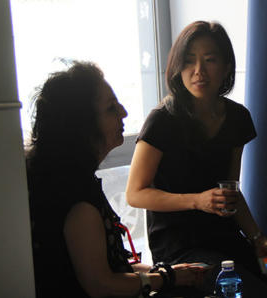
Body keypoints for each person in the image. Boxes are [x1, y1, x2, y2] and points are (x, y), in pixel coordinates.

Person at [126, 21, 267, 297]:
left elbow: (231, 192)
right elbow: (134, 194)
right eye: (189, 61)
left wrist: (257, 238)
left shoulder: (238, 118)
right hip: (180, 248)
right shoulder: (162, 120)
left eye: (210, 60)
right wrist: (197, 200)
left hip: (224, 240)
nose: (198, 71)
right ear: (177, 67)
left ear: (227, 67)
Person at [26, 61, 209, 298]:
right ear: (83, 125)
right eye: (112, 108)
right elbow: (101, 284)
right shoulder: (79, 204)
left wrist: (166, 272)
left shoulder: (70, 180)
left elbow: (114, 267)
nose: (123, 112)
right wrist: (167, 278)